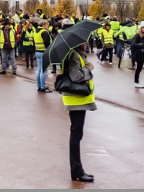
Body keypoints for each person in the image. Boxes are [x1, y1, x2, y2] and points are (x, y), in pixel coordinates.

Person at [59, 43, 96, 183]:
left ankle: (77, 170)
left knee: (77, 134)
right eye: (84, 42)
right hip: (76, 100)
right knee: (76, 135)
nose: (87, 44)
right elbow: (76, 76)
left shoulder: (76, 54)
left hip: (77, 100)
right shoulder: (74, 55)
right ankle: (77, 170)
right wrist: (88, 69)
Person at [34, 20, 52, 93]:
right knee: (43, 70)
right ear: (44, 25)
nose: (48, 26)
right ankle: (43, 86)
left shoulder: (36, 32)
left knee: (39, 69)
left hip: (37, 51)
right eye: (47, 24)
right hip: (43, 52)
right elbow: (47, 43)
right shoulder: (44, 32)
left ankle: (39, 85)